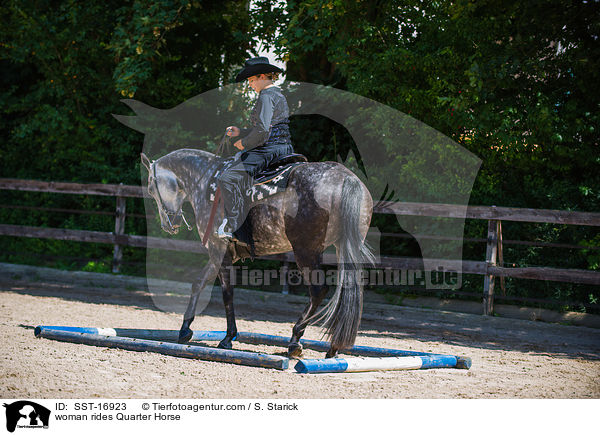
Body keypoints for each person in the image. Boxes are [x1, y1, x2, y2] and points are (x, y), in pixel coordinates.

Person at [216, 57, 294, 239]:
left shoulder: (266, 96)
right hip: (285, 147)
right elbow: (268, 128)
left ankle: (235, 228)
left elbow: (262, 131)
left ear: (262, 76)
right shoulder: (278, 94)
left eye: (251, 80)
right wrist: (241, 132)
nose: (250, 85)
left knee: (227, 178)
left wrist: (244, 143)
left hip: (270, 149)